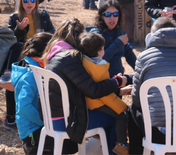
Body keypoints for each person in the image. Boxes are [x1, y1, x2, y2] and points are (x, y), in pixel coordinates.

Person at [42, 18, 133, 154]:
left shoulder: (55, 54)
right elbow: (93, 91)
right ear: (76, 37)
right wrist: (117, 82)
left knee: (107, 113)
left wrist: (118, 90)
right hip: (67, 120)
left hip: (53, 116)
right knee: (117, 116)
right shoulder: (70, 58)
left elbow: (84, 87)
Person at [127, 17, 176, 154]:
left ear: (153, 34)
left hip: (158, 134)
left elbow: (137, 99)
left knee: (133, 109)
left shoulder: (144, 57)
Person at [1, 0, 55, 130]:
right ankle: (11, 117)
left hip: (40, 52)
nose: (29, 3)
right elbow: (10, 39)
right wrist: (19, 29)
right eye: (25, 0)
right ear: (21, 2)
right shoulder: (15, 17)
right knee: (17, 76)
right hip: (22, 53)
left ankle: (43, 116)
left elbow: (52, 35)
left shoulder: (43, 15)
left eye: (33, 0)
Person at [77, 32, 130, 155]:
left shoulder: (83, 62)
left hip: (87, 102)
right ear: (98, 51)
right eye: (103, 48)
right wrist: (122, 106)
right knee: (121, 116)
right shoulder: (99, 66)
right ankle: (121, 145)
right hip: (97, 103)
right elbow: (105, 95)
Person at [8, 32, 52, 153]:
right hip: (32, 130)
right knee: (71, 143)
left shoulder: (29, 65)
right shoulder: (32, 73)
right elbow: (24, 106)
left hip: (32, 126)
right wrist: (45, 123)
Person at [88, 0, 137, 77]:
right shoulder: (96, 34)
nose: (112, 18)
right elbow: (100, 60)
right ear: (102, 16)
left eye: (115, 14)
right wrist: (118, 43)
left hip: (119, 77)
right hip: (103, 81)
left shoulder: (119, 31)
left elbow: (128, 53)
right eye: (107, 14)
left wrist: (139, 70)